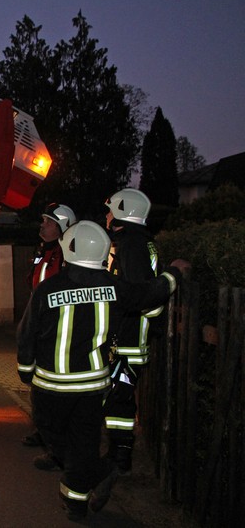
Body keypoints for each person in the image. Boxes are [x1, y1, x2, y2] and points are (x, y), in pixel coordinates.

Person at [17, 220, 181, 520]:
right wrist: (174, 274)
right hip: (94, 389)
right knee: (84, 444)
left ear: (69, 249)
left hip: (52, 389)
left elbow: (27, 334)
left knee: (60, 444)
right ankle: (77, 501)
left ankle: (96, 475)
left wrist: (26, 371)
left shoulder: (47, 289)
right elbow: (149, 293)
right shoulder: (114, 287)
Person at [103, 188, 159, 474]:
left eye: (110, 210)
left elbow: (137, 294)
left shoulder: (132, 244)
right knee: (118, 397)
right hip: (129, 336)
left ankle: (120, 457)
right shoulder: (136, 242)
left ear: (123, 212)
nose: (107, 216)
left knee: (120, 399)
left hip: (128, 339)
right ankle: (118, 452)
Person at [22, 203, 76, 454]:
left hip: (57, 325)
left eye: (49, 222)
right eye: (43, 220)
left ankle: (55, 437)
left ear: (62, 227)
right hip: (41, 322)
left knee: (52, 386)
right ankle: (43, 431)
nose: (42, 225)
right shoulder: (44, 251)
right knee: (39, 382)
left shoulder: (68, 255)